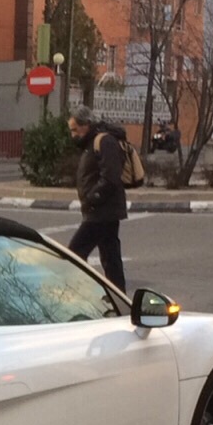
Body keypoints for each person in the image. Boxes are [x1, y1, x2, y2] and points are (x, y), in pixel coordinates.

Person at [67, 105, 128, 293]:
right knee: (110, 257)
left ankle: (78, 293)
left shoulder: (104, 141)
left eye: (75, 130)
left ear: (87, 125)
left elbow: (110, 176)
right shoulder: (91, 143)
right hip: (102, 211)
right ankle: (118, 296)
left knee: (74, 254)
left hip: (101, 211)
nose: (73, 135)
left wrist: (92, 198)